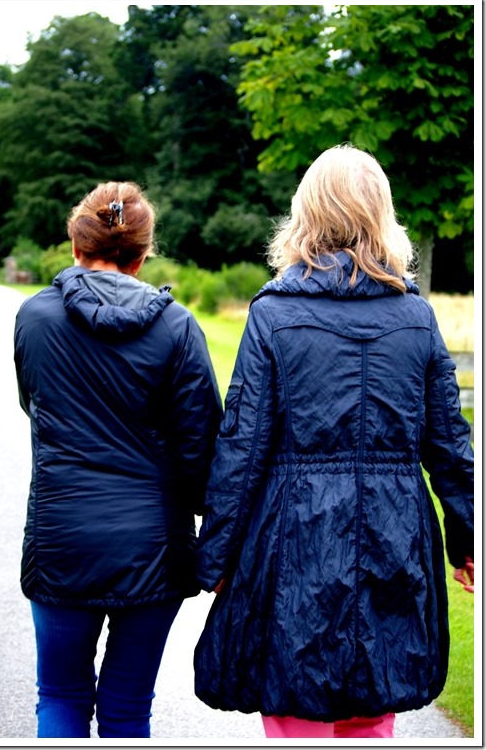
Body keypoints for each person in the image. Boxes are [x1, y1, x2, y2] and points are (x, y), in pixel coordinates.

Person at [193, 144, 474, 739]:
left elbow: (241, 448)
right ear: (382, 214)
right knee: (373, 711)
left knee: (295, 709)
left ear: (307, 212)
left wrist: (216, 557)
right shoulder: (416, 317)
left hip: (295, 538)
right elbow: (451, 444)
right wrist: (468, 540)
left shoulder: (274, 314)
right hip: (395, 535)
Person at [14, 181, 223, 738]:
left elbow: (32, 405)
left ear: (76, 244)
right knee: (129, 708)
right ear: (143, 253)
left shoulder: (34, 318)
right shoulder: (177, 327)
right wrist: (216, 535)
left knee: (59, 696)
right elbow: (202, 448)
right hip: (154, 547)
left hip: (62, 540)